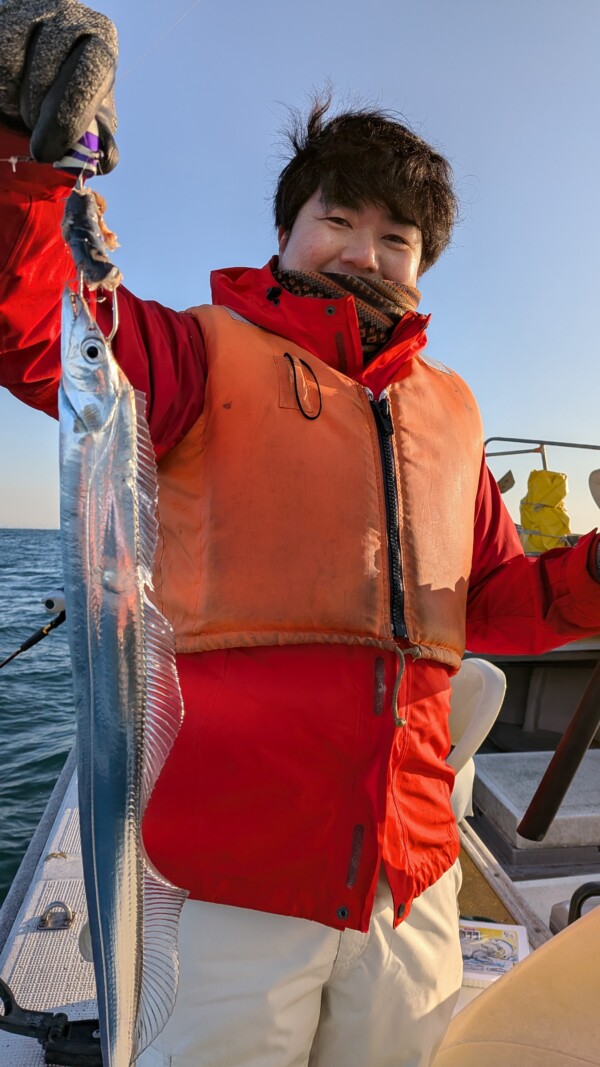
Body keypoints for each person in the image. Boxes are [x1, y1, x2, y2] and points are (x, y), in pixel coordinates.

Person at [1, 3, 600, 1065]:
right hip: (234, 880)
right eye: (339, 220)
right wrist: (20, 160)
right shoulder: (190, 355)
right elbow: (47, 335)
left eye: (398, 240)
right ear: (285, 229)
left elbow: (507, 599)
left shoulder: (451, 409)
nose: (365, 253)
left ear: (424, 268)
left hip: (409, 879)